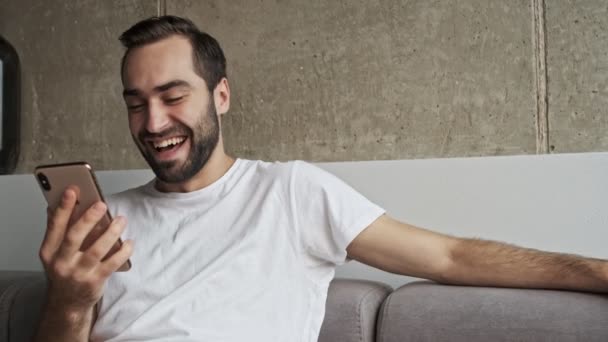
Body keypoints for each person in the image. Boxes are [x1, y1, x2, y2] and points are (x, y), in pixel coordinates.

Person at [34, 15, 608, 342]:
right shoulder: (102, 225)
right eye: (136, 103)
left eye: (173, 95)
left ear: (221, 95)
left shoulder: (289, 193)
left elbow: (449, 257)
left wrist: (595, 272)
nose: (153, 123)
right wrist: (68, 300)